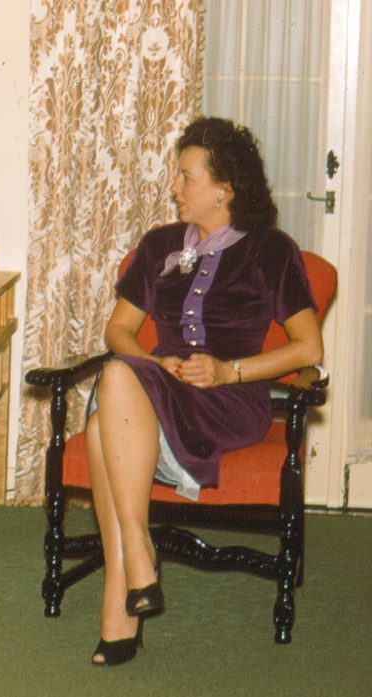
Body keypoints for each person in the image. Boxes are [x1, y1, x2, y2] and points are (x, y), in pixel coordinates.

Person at [85, 117, 323, 666]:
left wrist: (227, 371)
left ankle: (127, 582)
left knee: (107, 410)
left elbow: (309, 349)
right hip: (159, 387)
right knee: (113, 391)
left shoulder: (271, 250)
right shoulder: (159, 245)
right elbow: (117, 330)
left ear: (225, 189)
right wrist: (156, 363)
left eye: (186, 177)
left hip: (228, 399)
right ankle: (132, 572)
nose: (175, 186)